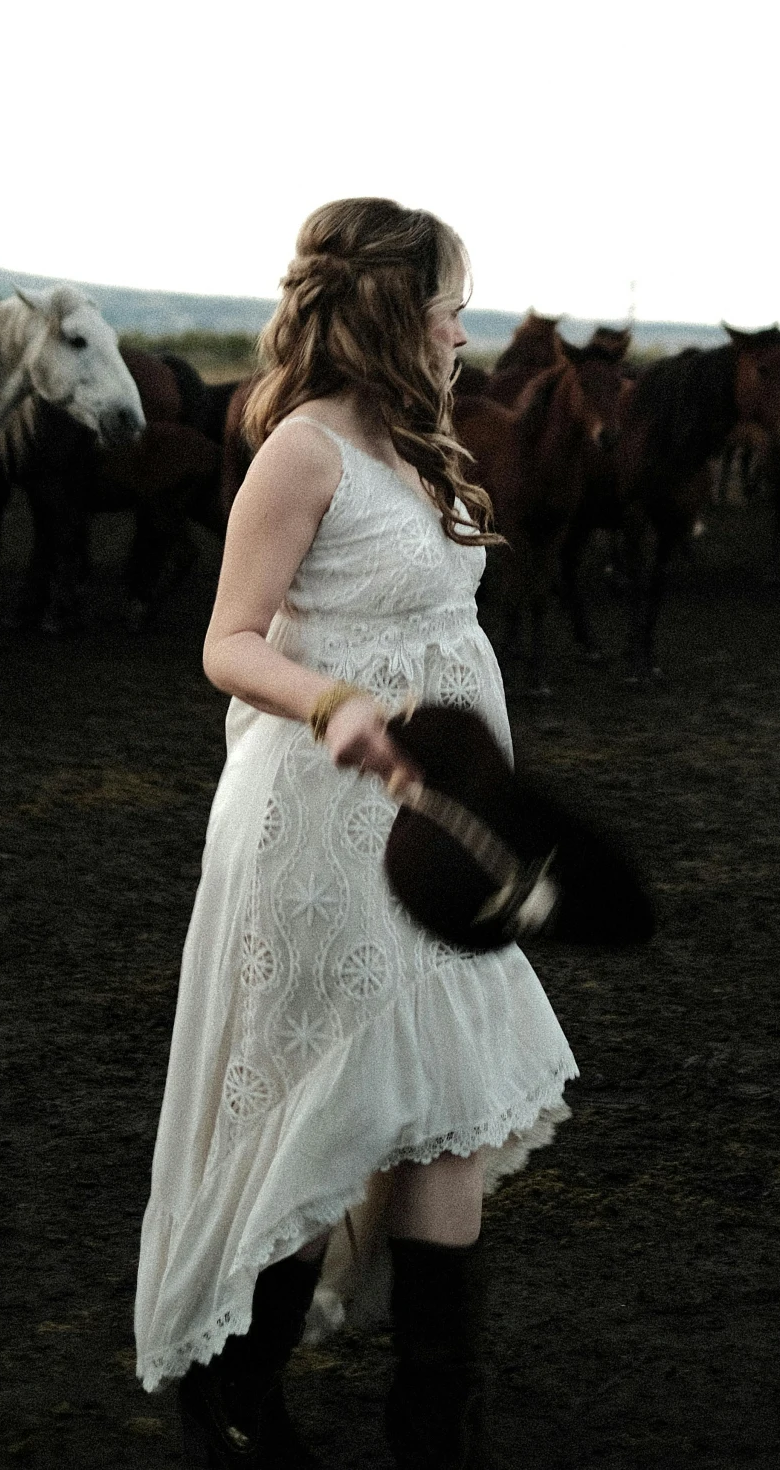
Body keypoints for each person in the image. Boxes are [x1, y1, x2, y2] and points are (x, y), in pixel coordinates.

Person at [135, 198, 577, 1468]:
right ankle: (234, 1395)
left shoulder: (419, 443)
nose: (461, 325)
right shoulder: (304, 450)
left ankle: (435, 1426)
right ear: (392, 305)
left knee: (447, 1103)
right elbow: (226, 641)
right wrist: (337, 703)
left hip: (435, 830)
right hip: (321, 827)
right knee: (330, 1106)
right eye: (449, 298)